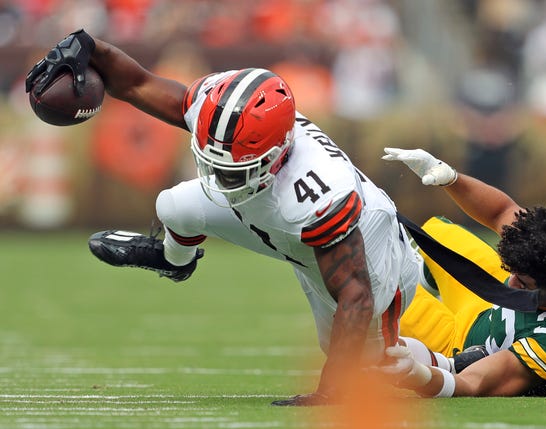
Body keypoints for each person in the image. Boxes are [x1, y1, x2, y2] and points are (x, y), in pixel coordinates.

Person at [25, 30, 422, 406]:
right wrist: (91, 47)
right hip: (272, 210)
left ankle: (462, 362)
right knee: (175, 205)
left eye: (234, 167)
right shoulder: (224, 126)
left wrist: (330, 389)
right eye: (214, 161)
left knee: (369, 367)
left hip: (365, 254)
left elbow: (356, 293)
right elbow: (137, 84)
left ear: (278, 151)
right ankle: (173, 260)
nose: (220, 176)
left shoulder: (318, 191)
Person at [377, 147, 546, 397]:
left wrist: (420, 373)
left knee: (377, 288)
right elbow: (502, 212)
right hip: (490, 308)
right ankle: (430, 279)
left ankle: (420, 304)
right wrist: (451, 177)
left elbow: (472, 382)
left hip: (462, 341)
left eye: (524, 283)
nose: (510, 282)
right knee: (438, 232)